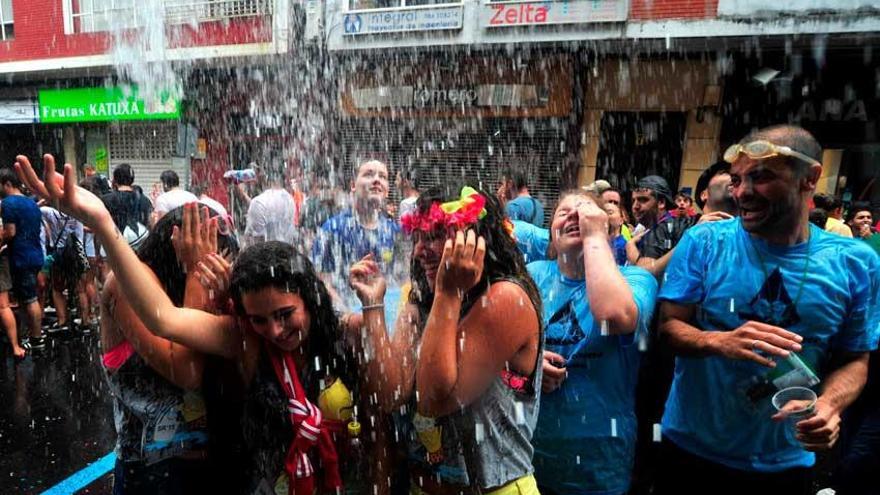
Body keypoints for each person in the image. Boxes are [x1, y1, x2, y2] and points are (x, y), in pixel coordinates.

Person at [15, 155, 370, 494]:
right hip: (153, 472)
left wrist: (372, 306)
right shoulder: (135, 286)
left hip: (214, 469)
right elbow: (180, 357)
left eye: (284, 314)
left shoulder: (304, 324)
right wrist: (104, 223)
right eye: (261, 318)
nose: (274, 329)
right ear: (177, 252)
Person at [655, 125, 880, 494]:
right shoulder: (705, 240)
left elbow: (856, 359)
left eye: (761, 178)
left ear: (809, 179)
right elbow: (669, 327)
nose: (742, 192)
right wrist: (718, 341)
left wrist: (829, 405)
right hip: (691, 451)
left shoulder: (855, 262)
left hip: (785, 461)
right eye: (738, 179)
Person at [349, 183, 543, 494]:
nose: (420, 251)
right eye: (418, 238)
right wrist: (373, 304)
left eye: (436, 236)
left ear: (474, 239)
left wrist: (449, 291)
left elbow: (433, 400)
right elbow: (389, 394)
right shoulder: (420, 297)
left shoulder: (505, 298)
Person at [528, 190, 657, 495]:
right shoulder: (531, 275)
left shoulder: (637, 280)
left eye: (585, 212)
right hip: (530, 459)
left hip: (599, 465)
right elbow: (501, 357)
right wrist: (528, 365)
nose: (575, 216)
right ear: (551, 233)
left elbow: (612, 316)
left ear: (608, 229)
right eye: (564, 213)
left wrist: (595, 237)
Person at [312, 159, 402, 320]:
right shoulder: (332, 229)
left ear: (387, 190)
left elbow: (399, 280)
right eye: (368, 174)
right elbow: (319, 280)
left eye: (383, 176)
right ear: (353, 185)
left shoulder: (393, 231)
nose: (376, 180)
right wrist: (348, 316)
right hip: (346, 320)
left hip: (384, 319)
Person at [1, 165, 45, 353]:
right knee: (28, 297)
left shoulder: (9, 204)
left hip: (21, 256)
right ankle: (31, 334)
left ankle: (36, 338)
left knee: (29, 299)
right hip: (35, 254)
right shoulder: (31, 203)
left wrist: (2, 238)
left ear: (7, 184)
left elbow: (10, 232)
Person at [242, 160, 297, 247]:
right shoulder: (289, 200)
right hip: (285, 256)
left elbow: (257, 245)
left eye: (253, 174)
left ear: (263, 175)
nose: (251, 180)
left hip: (265, 258)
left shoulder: (258, 202)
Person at [101, 163, 152, 252]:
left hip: (114, 247)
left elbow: (101, 225)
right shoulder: (144, 200)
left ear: (115, 179)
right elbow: (149, 222)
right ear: (132, 179)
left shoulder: (107, 199)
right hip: (139, 246)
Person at [605, 202, 628, 266]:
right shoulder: (596, 243)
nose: (605, 215)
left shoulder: (625, 245)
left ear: (621, 221)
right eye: (603, 212)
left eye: (610, 213)